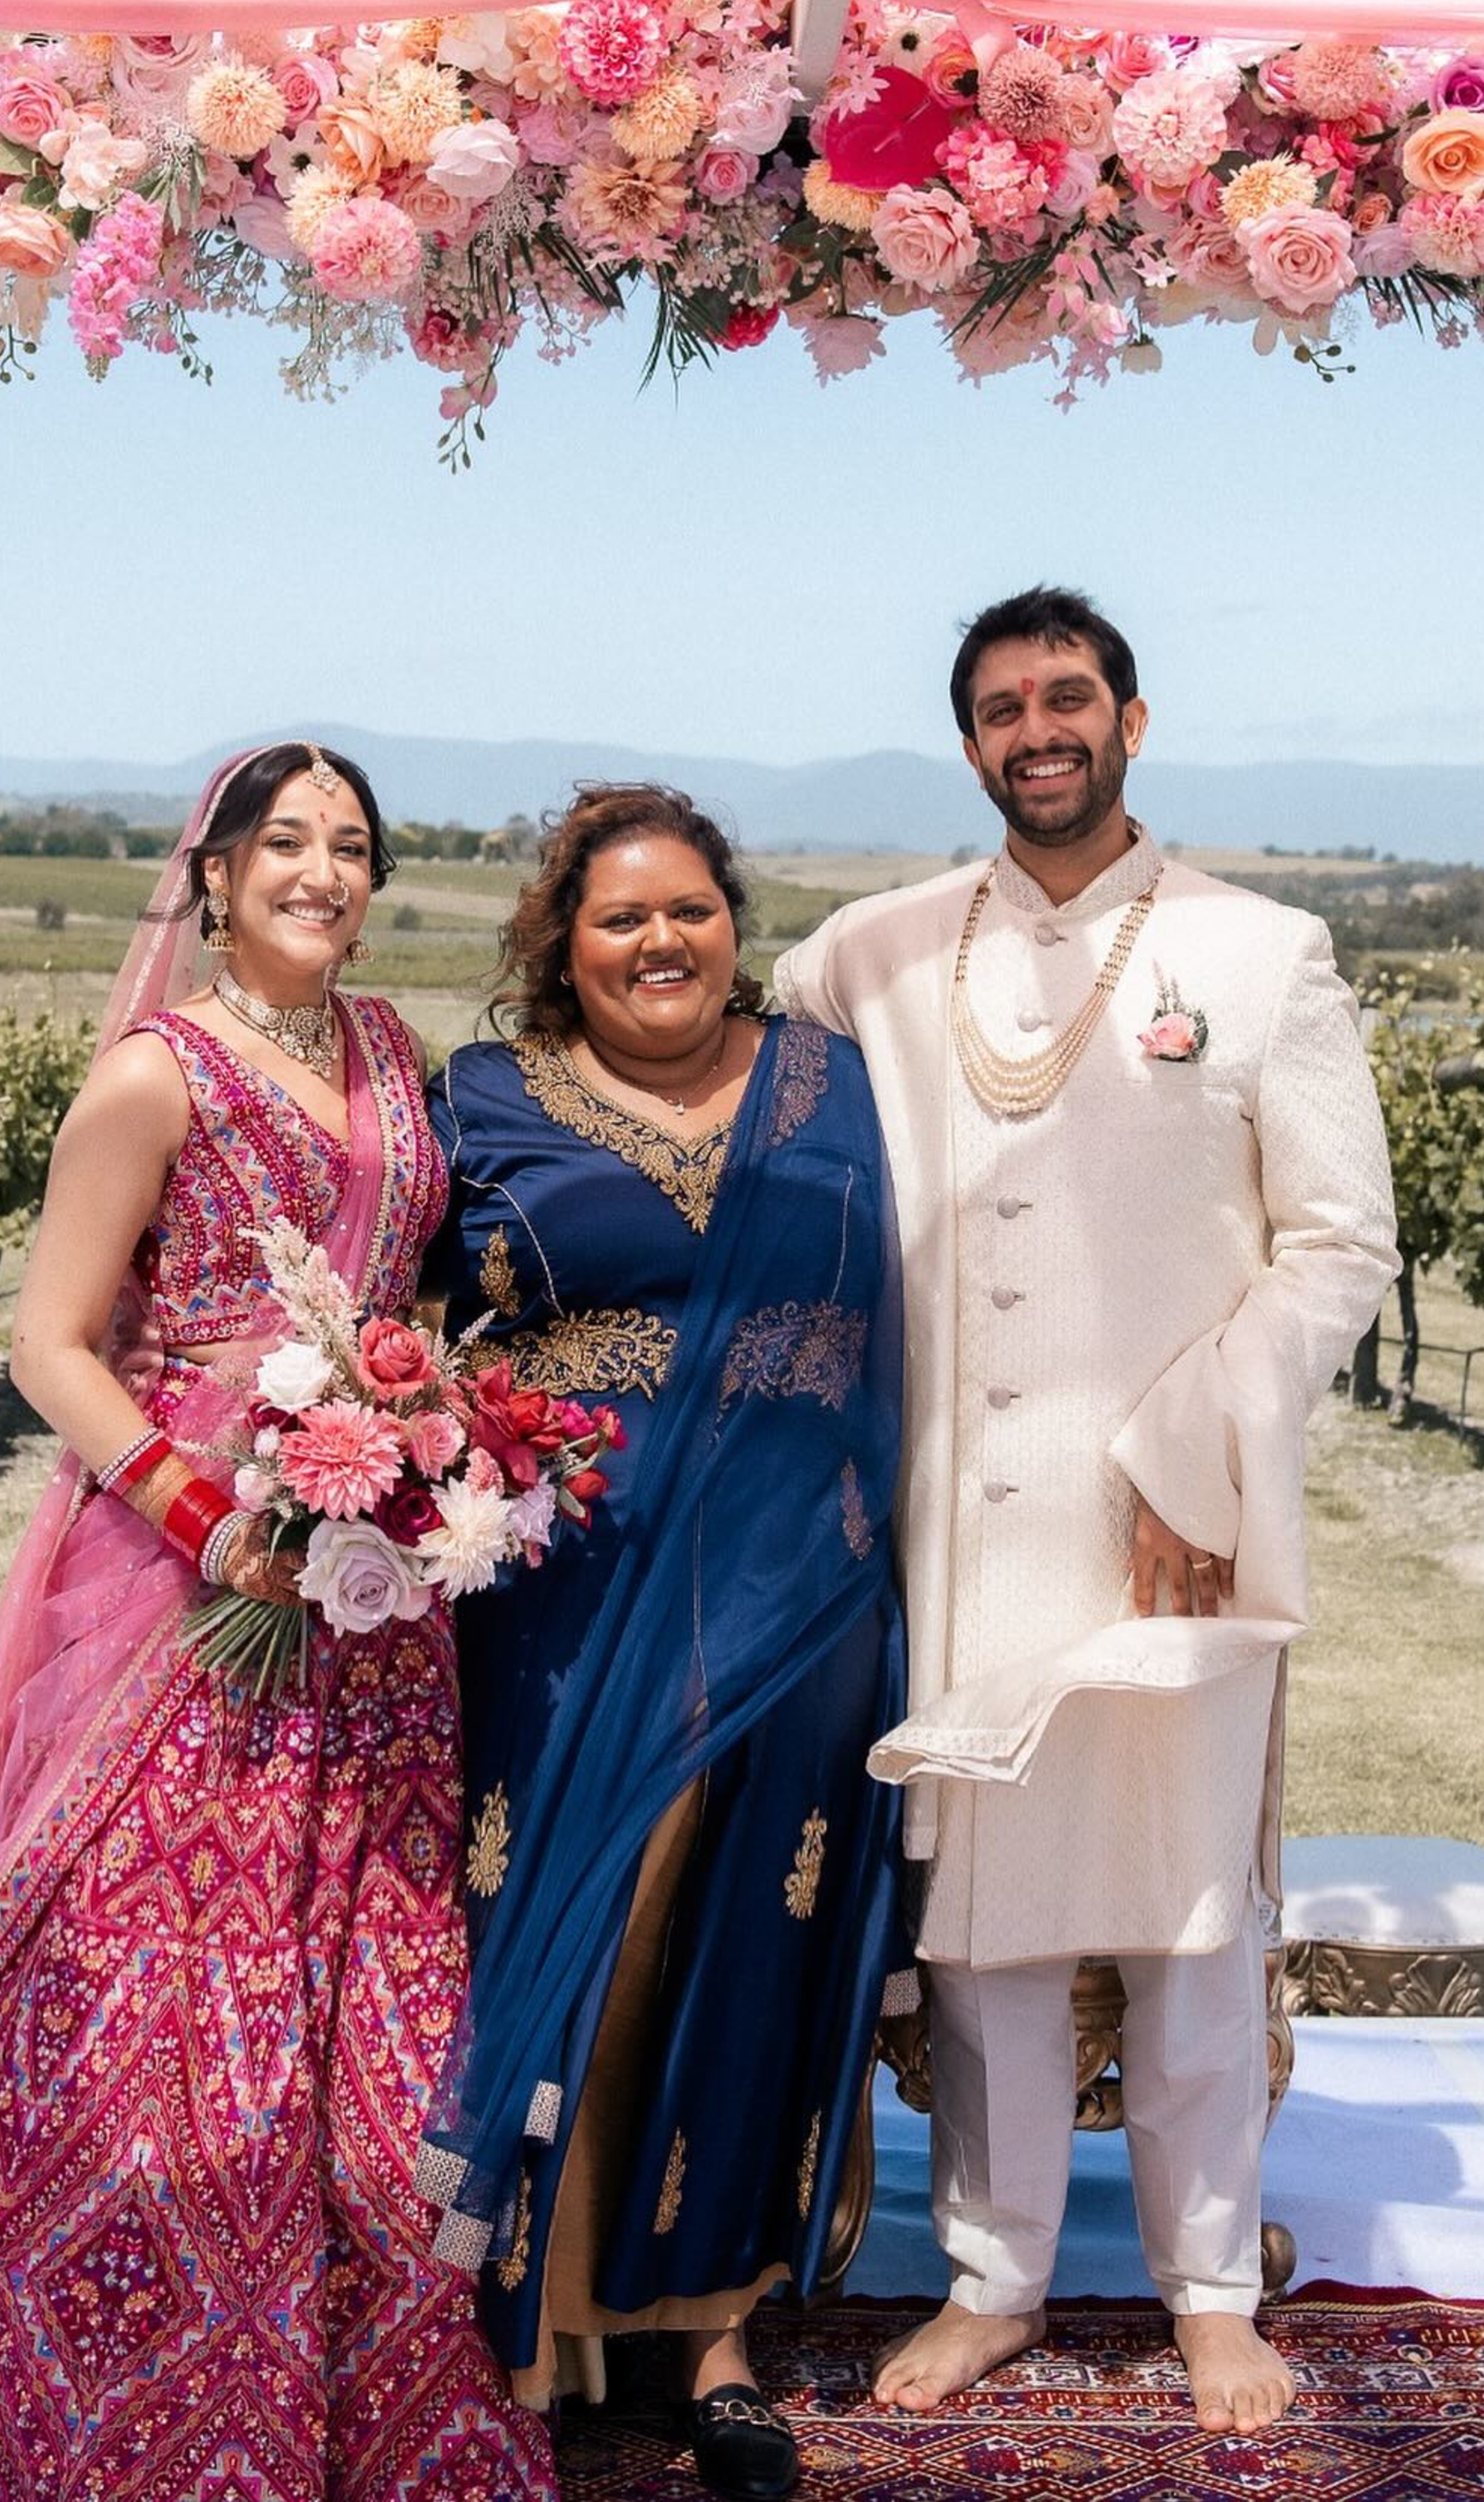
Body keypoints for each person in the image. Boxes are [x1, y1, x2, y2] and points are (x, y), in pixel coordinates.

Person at [0, 744, 557, 2501]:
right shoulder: (155, 1075)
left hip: (371, 1591)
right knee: (160, 1996)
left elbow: (409, 1293)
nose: (324, 870)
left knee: (373, 1972)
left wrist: (437, 1434)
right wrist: (211, 1513)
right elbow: (51, 1341)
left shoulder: (394, 1055)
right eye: (286, 842)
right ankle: (90, 2404)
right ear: (213, 875)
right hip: (191, 1586)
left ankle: (371, 2417)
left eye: (353, 845)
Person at [775, 590, 1398, 2438]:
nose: (1037, 730)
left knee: (1194, 1919)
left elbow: (1339, 1244)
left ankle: (1212, 2290)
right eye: (999, 709)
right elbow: (703, 1078)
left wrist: (1197, 1447)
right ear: (968, 745)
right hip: (950, 1532)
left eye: (1068, 699)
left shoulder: (1265, 951)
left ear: (1134, 717)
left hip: (1172, 1527)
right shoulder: (870, 954)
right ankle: (998, 2278)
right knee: (993, 1940)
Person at [420, 785, 914, 2502]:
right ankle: (531, 2327)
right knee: (560, 1920)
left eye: (690, 908)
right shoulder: (481, 1101)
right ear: (562, 940)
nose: (660, 939)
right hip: (567, 1588)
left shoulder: (840, 1084)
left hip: (803, 1593)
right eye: (621, 916)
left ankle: (712, 2338)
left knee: (741, 1934)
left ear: (733, 918)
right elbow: (390, 1318)